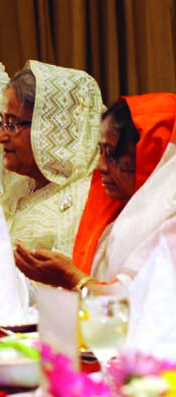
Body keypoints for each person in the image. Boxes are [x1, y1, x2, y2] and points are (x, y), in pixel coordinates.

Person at [12, 94, 176, 290]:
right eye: (100, 151)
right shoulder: (114, 209)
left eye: (113, 154)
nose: (100, 166)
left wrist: (72, 278)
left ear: (153, 156)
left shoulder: (168, 223)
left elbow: (134, 305)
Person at [0, 61, 104, 256]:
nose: (1, 137)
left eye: (12, 124)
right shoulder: (19, 189)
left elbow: (56, 282)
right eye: (1, 123)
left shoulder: (80, 204)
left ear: (52, 129)